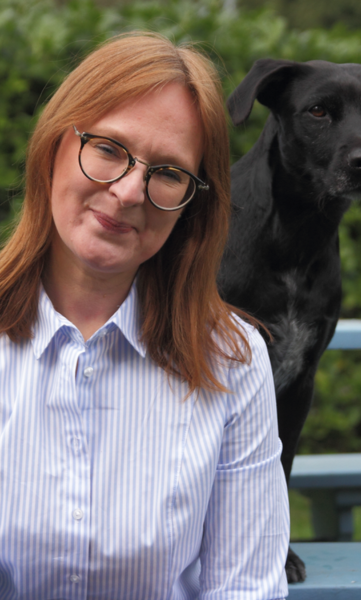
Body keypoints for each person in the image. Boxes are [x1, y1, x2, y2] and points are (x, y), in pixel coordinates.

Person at [0, 32, 289, 599]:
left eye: (168, 173)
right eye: (108, 148)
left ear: (192, 204)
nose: (130, 191)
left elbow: (246, 589)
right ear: (56, 141)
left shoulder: (231, 361)